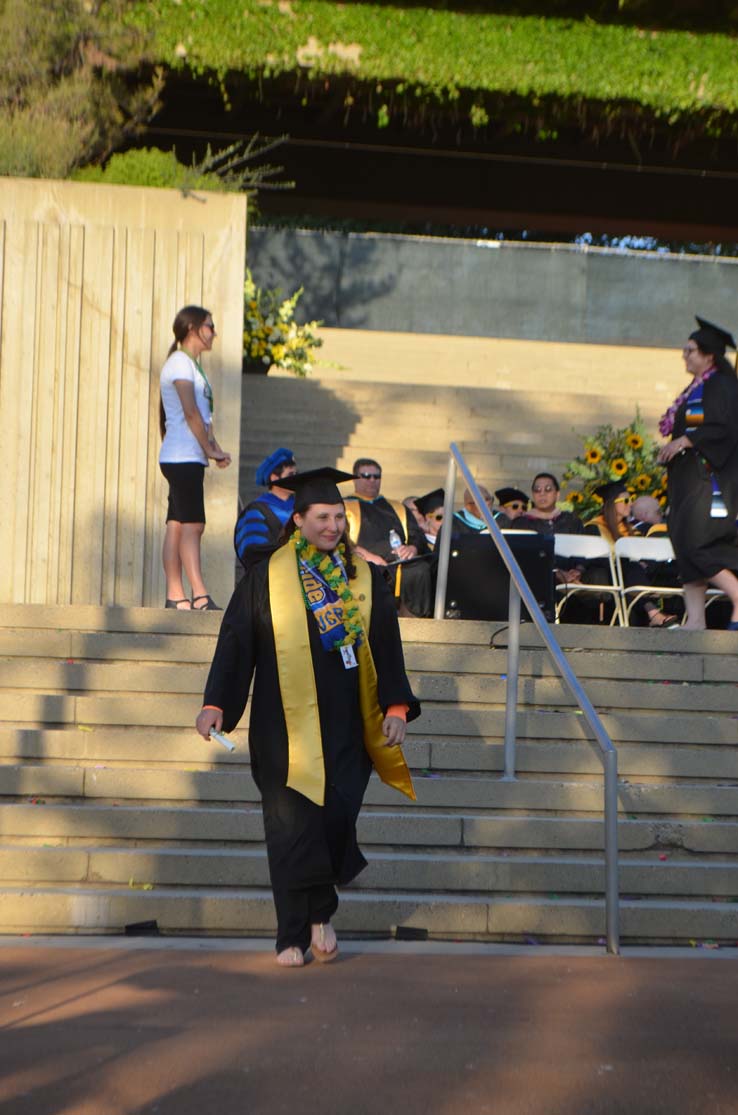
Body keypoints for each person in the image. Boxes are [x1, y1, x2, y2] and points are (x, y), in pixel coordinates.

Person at [196, 468, 420, 967]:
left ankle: (318, 906)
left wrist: (396, 707)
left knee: (336, 817)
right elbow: (236, 641)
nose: (333, 526)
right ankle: (295, 933)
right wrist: (217, 703)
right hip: (283, 723)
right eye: (322, 517)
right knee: (289, 827)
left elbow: (387, 644)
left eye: (339, 517)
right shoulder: (265, 576)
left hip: (348, 721)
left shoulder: (364, 577)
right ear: (298, 520)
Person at [657, 315, 738, 630]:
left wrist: (685, 441)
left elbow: (725, 428)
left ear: (709, 356)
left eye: (690, 350)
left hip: (710, 480)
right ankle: (695, 620)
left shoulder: (722, 386)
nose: (684, 355)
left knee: (697, 543)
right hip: (688, 479)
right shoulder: (696, 388)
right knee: (682, 541)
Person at [159, 305, 231, 610]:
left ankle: (176, 596)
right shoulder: (179, 363)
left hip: (187, 456)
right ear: (192, 328)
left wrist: (214, 448)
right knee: (193, 525)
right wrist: (210, 449)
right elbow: (190, 412)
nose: (214, 333)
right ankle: (199, 595)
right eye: (210, 326)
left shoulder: (190, 365)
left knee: (177, 525)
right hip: (182, 456)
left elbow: (202, 416)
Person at [345, 458, 432, 617]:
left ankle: (415, 622)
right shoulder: (345, 506)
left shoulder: (397, 507)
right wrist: (368, 556)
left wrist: (412, 548)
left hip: (401, 564)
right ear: (355, 478)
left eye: (376, 476)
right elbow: (342, 538)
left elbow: (416, 535)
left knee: (421, 570)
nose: (372, 480)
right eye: (366, 476)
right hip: (364, 561)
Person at [585, 481, 678, 627]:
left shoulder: (632, 530)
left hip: (634, 577)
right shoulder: (594, 528)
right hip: (610, 577)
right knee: (630, 567)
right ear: (612, 504)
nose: (631, 504)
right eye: (626, 500)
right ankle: (653, 613)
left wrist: (645, 563)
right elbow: (593, 559)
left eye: (631, 500)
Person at [234, 448, 297, 569]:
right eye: (290, 474)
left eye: (296, 474)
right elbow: (253, 550)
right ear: (274, 478)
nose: (295, 479)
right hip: (271, 572)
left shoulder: (301, 506)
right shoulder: (256, 511)